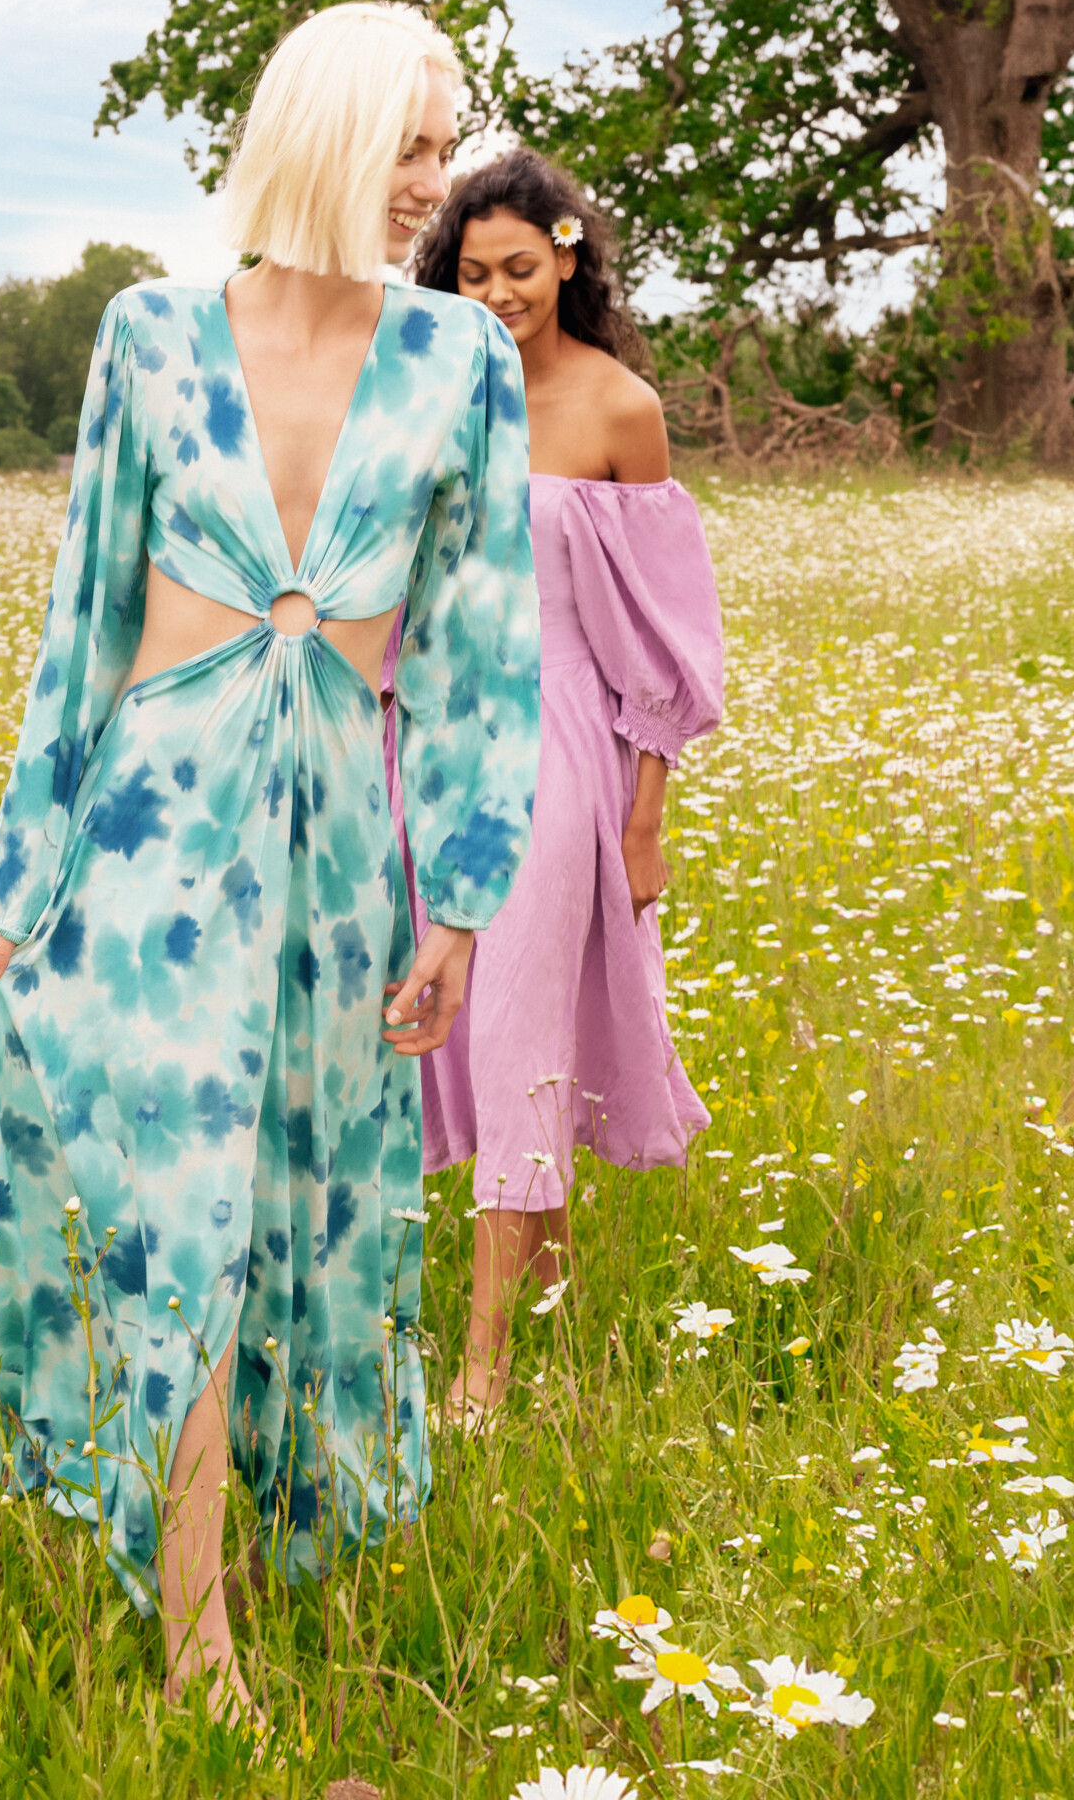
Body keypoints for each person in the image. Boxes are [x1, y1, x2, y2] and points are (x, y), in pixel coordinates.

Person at [0, 6, 540, 1726]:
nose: (432, 183)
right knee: (188, 1209)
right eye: (409, 147)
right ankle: (193, 1631)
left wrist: (459, 904)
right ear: (325, 136)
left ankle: (259, 1546)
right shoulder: (149, 333)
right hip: (150, 835)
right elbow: (83, 622)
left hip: (336, 857)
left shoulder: (462, 359)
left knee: (302, 1204)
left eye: (443, 148)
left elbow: (480, 649)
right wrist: (19, 871)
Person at [395, 148, 724, 1428]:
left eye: (520, 268)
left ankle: (482, 1376)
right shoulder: (427, 393)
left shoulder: (617, 408)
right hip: (429, 744)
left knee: (522, 1030)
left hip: (560, 746)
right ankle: (558, 1320)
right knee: (471, 1030)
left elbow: (662, 638)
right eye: (473, 274)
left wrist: (646, 817)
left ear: (568, 259)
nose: (497, 295)